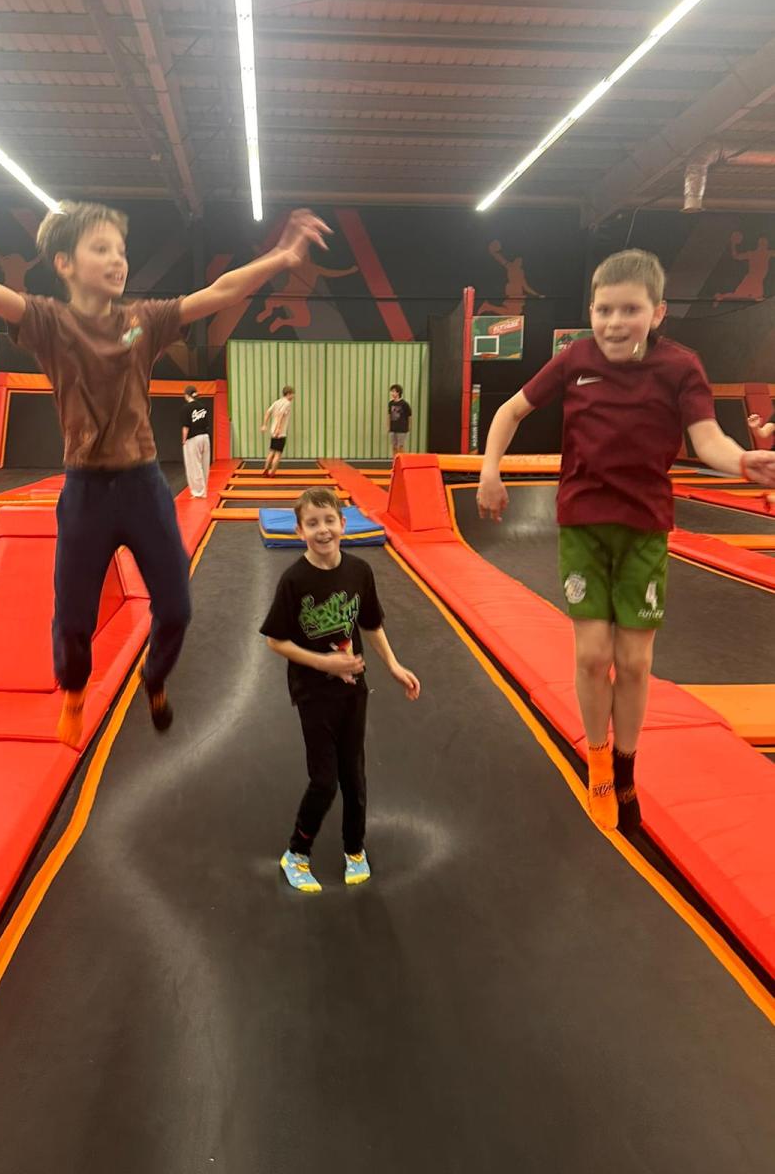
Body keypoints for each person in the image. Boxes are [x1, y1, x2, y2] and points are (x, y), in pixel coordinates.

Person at [0, 193, 332, 746]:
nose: (117, 260)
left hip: (143, 487)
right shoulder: (48, 323)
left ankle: (154, 677)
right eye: (101, 249)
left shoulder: (142, 322)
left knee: (176, 608)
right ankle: (74, 690)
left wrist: (283, 257)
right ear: (65, 263)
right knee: (73, 619)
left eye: (121, 250)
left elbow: (219, 292)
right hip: (86, 493)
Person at [476, 249, 775, 835]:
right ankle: (598, 763)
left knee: (635, 663)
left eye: (630, 310)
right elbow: (510, 411)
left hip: (644, 529)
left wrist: (743, 461)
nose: (615, 323)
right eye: (604, 310)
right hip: (583, 525)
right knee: (592, 656)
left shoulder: (681, 367)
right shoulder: (575, 359)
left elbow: (707, 439)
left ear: (657, 312)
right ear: (591, 310)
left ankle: (626, 764)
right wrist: (491, 470)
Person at [260, 487, 420, 892]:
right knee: (324, 780)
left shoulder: (359, 571)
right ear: (299, 531)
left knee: (354, 776)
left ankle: (354, 848)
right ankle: (296, 853)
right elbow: (275, 640)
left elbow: (371, 624)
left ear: (343, 524)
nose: (323, 530)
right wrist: (324, 663)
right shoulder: (294, 580)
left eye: (329, 520)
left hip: (353, 691)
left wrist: (394, 665)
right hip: (312, 693)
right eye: (312, 523)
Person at [181, 384, 211, 498]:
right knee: (205, 464)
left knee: (195, 465)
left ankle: (199, 492)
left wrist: (184, 440)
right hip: (205, 437)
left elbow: (186, 426)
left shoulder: (186, 408)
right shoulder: (203, 406)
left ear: (186, 395)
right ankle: (204, 490)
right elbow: (207, 424)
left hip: (193, 438)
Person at [260, 385, 295, 476]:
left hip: (273, 431)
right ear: (288, 394)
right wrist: (278, 428)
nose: (293, 396)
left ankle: (266, 470)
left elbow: (268, 412)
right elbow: (281, 414)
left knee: (272, 451)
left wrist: (264, 425)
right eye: (292, 394)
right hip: (280, 432)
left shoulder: (277, 402)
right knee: (278, 454)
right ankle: (272, 473)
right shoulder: (287, 403)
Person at [387, 383, 412, 455]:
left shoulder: (404, 404)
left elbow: (409, 416)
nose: (392, 393)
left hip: (402, 428)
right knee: (394, 446)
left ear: (398, 392)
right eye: (391, 391)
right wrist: (388, 426)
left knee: (400, 446)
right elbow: (389, 415)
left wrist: (409, 426)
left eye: (394, 391)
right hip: (393, 428)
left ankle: (402, 461)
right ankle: (395, 460)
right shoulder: (390, 403)